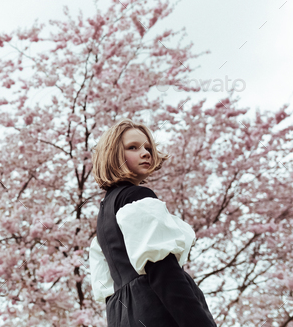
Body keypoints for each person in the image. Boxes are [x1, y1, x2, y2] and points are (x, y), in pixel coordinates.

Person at [89, 118, 217, 327]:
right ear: (113, 154)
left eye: (148, 147)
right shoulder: (136, 196)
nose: (146, 153)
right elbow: (162, 269)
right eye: (133, 147)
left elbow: (107, 290)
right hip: (158, 313)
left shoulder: (105, 213)